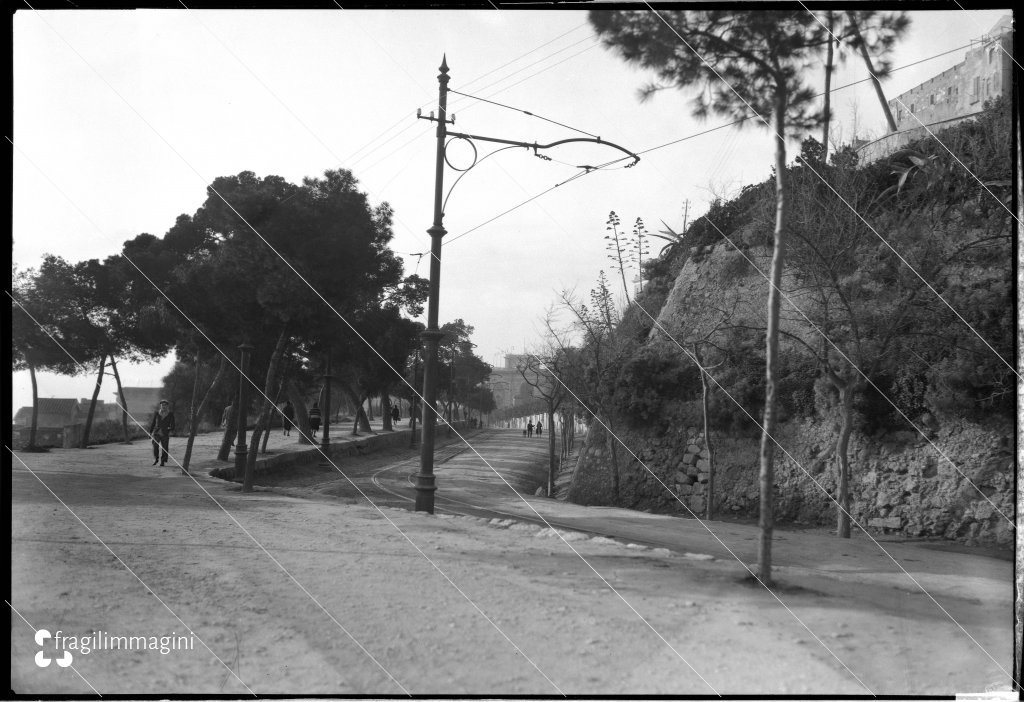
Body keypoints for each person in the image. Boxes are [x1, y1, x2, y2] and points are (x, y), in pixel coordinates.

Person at [149, 400, 175, 466]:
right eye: (162, 405)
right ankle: (156, 459)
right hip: (156, 433)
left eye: (165, 405)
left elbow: (173, 425)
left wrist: (169, 429)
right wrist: (150, 432)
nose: (163, 406)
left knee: (165, 448)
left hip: (165, 433)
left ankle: (163, 461)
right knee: (155, 446)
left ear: (167, 406)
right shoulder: (157, 413)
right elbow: (153, 423)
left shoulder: (170, 414)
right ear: (160, 406)